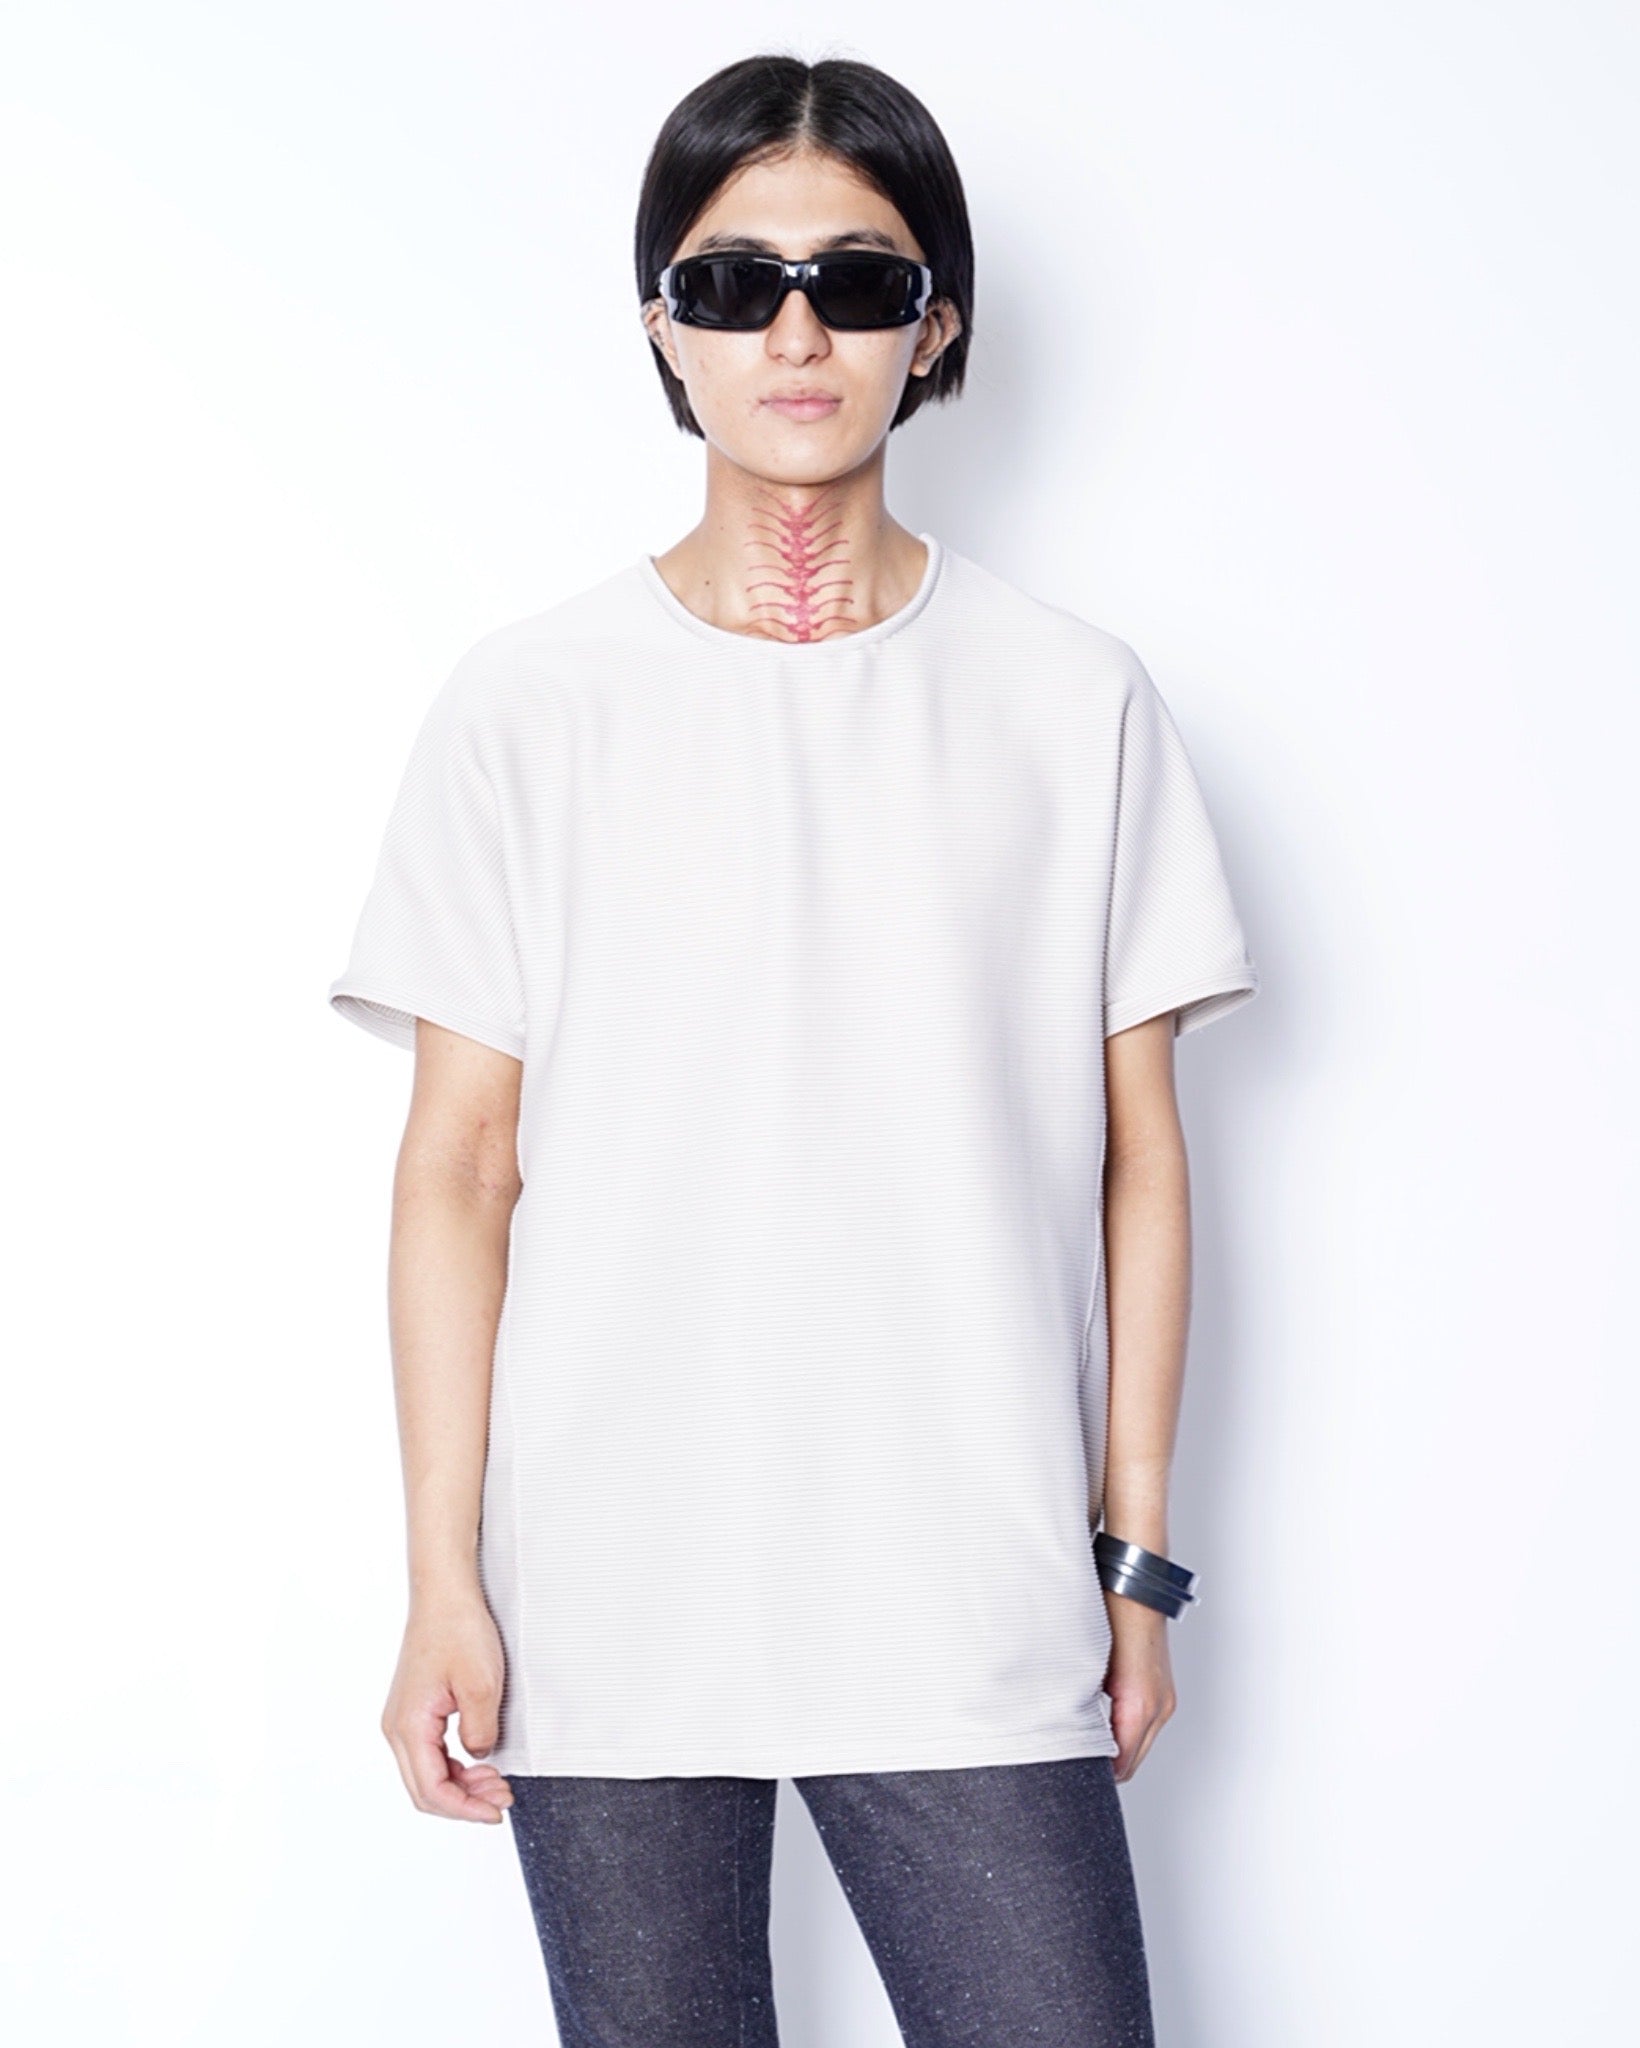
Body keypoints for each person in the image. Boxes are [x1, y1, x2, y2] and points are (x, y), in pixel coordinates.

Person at [327, 50, 1259, 2048]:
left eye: (859, 279)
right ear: (661, 324)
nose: (799, 331)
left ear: (941, 325)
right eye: (736, 283)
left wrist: (1139, 1557)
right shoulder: (531, 706)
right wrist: (439, 1576)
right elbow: (459, 1167)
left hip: (972, 1583)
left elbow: (1141, 1156)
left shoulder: (1069, 701)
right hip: (609, 1596)